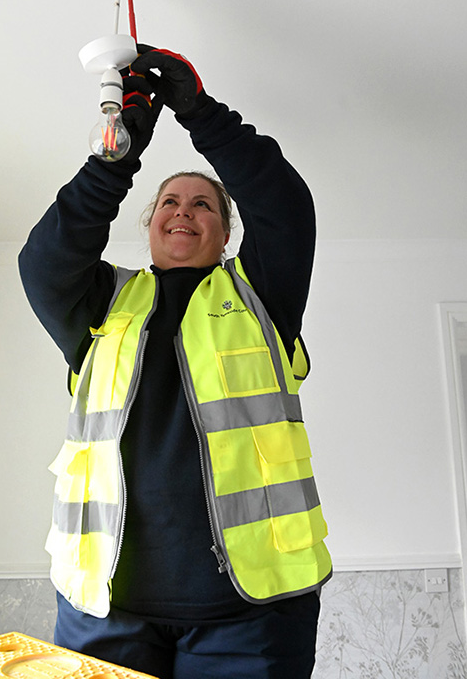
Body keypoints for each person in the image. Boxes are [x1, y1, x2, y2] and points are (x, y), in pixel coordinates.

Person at [19, 45, 332, 679]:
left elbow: (285, 206)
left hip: (253, 612)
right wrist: (117, 156)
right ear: (151, 224)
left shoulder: (258, 296)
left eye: (203, 205)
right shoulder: (103, 302)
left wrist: (202, 114)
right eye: (169, 202)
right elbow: (43, 264)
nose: (183, 210)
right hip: (103, 606)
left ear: (225, 233)